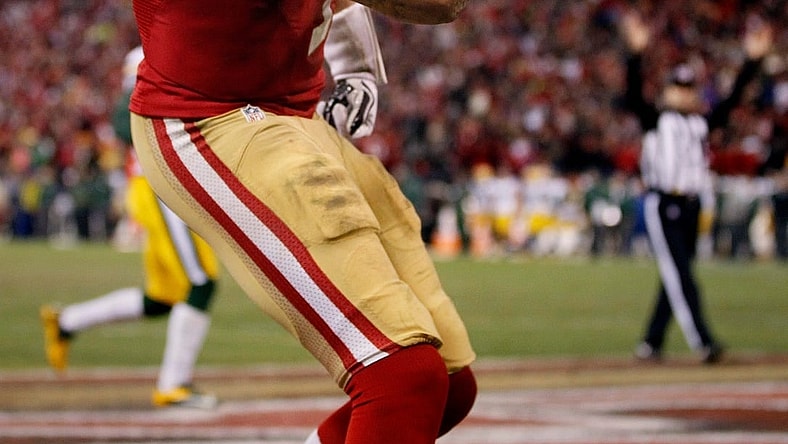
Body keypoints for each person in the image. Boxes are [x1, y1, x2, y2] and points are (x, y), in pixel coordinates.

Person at [128, 0, 477, 442]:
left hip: (295, 114)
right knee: (401, 375)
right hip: (208, 119)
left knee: (449, 384)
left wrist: (355, 64)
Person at [40, 46, 222, 409]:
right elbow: (127, 121)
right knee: (201, 283)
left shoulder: (149, 70)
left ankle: (67, 322)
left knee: (162, 298)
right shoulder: (147, 71)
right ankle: (173, 385)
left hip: (156, 186)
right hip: (160, 185)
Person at [620, 12, 773, 364]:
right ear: (668, 90)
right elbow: (632, 95)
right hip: (664, 204)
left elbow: (732, 101)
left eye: (688, 88)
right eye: (678, 87)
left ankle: (651, 342)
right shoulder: (656, 120)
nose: (683, 94)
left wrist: (753, 61)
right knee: (682, 276)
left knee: (675, 276)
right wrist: (635, 54)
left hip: (692, 205)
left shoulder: (700, 123)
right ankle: (703, 341)